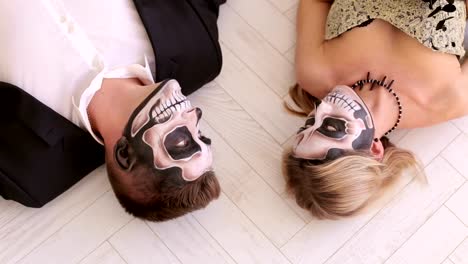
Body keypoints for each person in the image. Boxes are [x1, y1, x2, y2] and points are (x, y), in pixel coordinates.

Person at [0, 0, 225, 221]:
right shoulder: (197, 49)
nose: (193, 115)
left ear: (124, 155)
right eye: (201, 135)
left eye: (182, 142)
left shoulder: (25, 167)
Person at [283, 0, 467, 219]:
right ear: (374, 150)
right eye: (331, 127)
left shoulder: (315, 72)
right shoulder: (445, 99)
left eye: (309, 123)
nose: (320, 109)